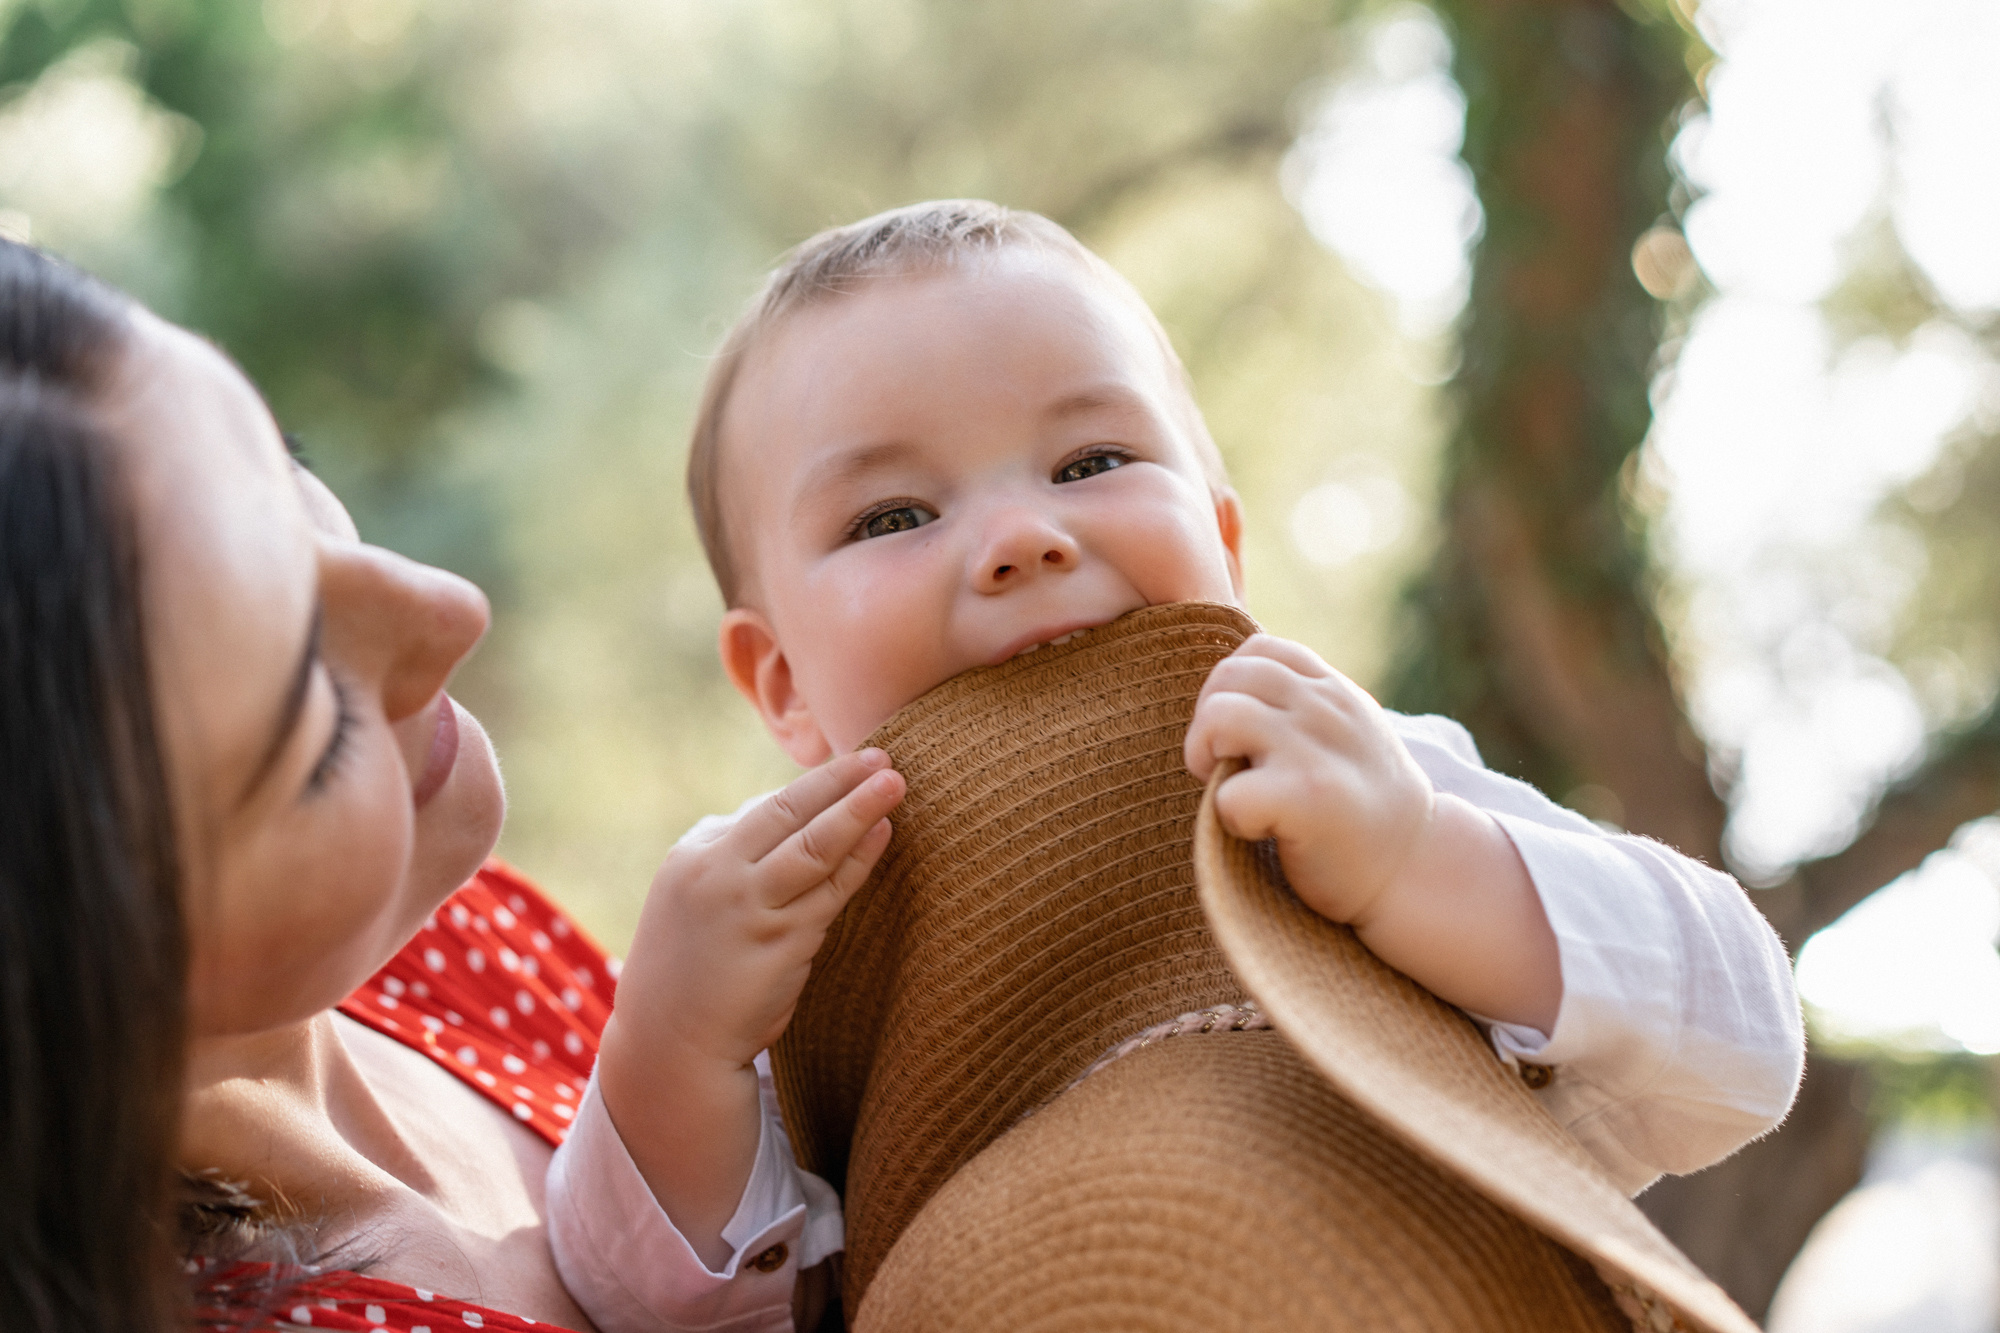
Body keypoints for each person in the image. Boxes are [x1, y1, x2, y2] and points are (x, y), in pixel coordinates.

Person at [543, 200, 1806, 1331]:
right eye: (892, 516)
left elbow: (1742, 1038)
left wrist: (1421, 862)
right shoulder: (783, 926)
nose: (1020, 538)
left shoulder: (1345, 775)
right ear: (777, 681)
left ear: (1222, 541)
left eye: (1091, 462)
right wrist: (672, 1047)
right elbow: (647, 1307)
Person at [0, 240, 853, 1333]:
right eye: (305, 710)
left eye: (281, 466)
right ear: (84, 963)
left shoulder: (450, 937)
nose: (446, 605)